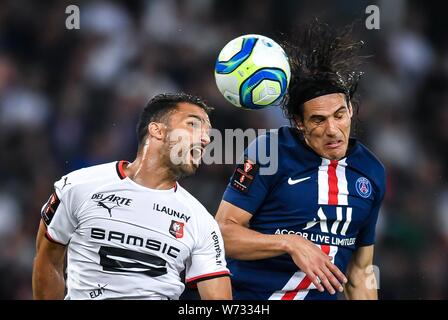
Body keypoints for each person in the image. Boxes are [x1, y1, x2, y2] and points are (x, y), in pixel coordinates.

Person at [215, 21, 386, 300]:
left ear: (351, 110)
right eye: (318, 120)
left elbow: (360, 270)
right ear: (299, 123)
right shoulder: (271, 151)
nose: (332, 129)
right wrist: (289, 243)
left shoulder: (371, 171)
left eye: (339, 115)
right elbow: (222, 234)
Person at [33, 93, 232, 300]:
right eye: (193, 125)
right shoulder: (79, 186)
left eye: (208, 133)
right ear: (157, 130)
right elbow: (48, 261)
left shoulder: (201, 220)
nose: (206, 139)